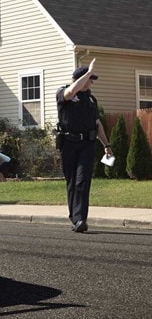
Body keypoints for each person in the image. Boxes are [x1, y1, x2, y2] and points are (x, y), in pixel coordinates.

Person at [56, 59, 112, 233]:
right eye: (90, 78)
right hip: (68, 143)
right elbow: (72, 90)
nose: (92, 82)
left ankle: (80, 219)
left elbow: (97, 123)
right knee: (72, 181)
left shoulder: (91, 100)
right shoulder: (65, 93)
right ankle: (75, 218)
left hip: (87, 144)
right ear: (81, 78)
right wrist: (87, 72)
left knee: (82, 181)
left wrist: (106, 144)